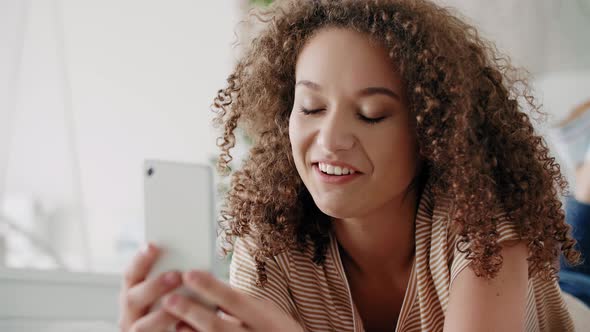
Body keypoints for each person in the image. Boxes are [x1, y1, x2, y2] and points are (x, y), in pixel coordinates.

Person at [117, 0, 581, 331]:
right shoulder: (272, 238)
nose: (330, 140)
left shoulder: (479, 229)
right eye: (311, 107)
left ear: (431, 133)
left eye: (371, 114)